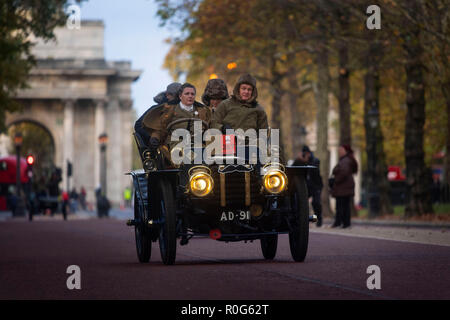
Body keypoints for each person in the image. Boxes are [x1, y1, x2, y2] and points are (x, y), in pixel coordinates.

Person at [143, 82, 211, 154]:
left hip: (197, 144)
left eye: (192, 94)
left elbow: (210, 128)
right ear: (180, 96)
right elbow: (160, 128)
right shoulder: (169, 109)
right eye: (187, 94)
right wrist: (155, 138)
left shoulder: (202, 111)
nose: (190, 96)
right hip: (175, 144)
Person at [134, 82, 182, 148]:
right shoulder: (156, 109)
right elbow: (138, 125)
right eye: (177, 96)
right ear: (168, 95)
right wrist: (152, 137)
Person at [293, 145, 323, 227]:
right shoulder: (299, 160)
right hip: (305, 186)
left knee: (316, 203)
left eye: (307, 153)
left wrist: (305, 161)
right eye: (304, 153)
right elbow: (292, 168)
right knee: (301, 203)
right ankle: (303, 220)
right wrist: (298, 160)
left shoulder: (315, 160)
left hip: (315, 185)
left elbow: (314, 169)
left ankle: (318, 219)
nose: (305, 155)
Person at [330, 144, 358, 228]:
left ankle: (343, 223)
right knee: (343, 205)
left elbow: (344, 172)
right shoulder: (345, 160)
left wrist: (336, 180)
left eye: (341, 150)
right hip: (344, 187)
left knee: (342, 206)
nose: (339, 152)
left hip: (343, 187)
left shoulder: (345, 160)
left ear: (346, 151)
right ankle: (343, 222)